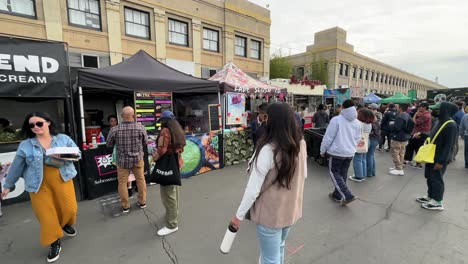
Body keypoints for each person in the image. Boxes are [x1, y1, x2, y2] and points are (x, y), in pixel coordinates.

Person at [230, 103, 307, 264]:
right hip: (291, 209)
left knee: (269, 259)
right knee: (279, 247)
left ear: (272, 121)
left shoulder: (268, 149)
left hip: (270, 213)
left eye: (267, 117)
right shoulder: (300, 144)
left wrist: (238, 217)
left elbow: (252, 190)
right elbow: (304, 175)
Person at [1, 112, 80, 263]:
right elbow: (17, 167)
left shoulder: (63, 139)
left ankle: (64, 224)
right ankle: (54, 240)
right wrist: (8, 186)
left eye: (39, 123)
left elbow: (78, 154)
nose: (35, 127)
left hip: (62, 179)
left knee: (70, 209)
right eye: (32, 125)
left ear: (48, 122)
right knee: (46, 215)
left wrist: (60, 156)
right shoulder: (25, 145)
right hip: (38, 185)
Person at [416, 102, 458, 210]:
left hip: (439, 158)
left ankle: (438, 201)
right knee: (430, 177)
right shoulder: (439, 121)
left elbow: (449, 146)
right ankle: (430, 196)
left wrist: (441, 161)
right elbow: (433, 135)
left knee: (437, 179)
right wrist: (422, 134)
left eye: (436, 109)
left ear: (444, 110)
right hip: (431, 155)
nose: (432, 111)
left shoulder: (451, 125)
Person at [107, 106, 148, 213]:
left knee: (122, 182)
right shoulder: (141, 128)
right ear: (133, 115)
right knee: (141, 180)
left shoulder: (114, 129)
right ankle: (142, 202)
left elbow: (109, 144)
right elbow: (145, 142)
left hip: (122, 160)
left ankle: (125, 206)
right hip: (137, 159)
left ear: (121, 116)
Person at [152, 111, 186, 236]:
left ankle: (172, 224)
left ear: (164, 121)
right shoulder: (178, 130)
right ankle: (173, 214)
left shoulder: (165, 131)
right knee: (174, 192)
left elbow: (162, 149)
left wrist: (154, 157)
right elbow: (181, 147)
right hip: (176, 163)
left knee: (168, 195)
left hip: (167, 165)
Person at [320, 99, 361, 205]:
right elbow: (357, 138)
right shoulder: (357, 122)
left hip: (337, 152)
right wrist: (352, 147)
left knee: (334, 173)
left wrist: (323, 150)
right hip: (350, 152)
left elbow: (328, 137)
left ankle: (347, 195)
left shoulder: (336, 120)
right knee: (343, 174)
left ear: (343, 107)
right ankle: (337, 194)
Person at [404, 102, 431, 169]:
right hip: (417, 132)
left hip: (420, 133)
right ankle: (409, 160)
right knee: (411, 146)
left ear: (424, 107)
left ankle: (417, 163)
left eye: (420, 107)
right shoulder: (425, 114)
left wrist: (415, 114)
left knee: (417, 147)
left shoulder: (425, 115)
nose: (419, 108)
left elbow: (414, 122)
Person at [350, 108, 374, 182]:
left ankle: (359, 176)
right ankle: (362, 174)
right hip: (367, 141)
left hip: (360, 142)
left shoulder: (359, 123)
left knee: (357, 160)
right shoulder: (369, 124)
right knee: (363, 159)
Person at [389, 104, 414, 176]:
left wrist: (392, 125)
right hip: (405, 136)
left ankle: (398, 168)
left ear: (400, 108)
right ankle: (399, 166)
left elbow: (397, 128)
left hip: (398, 137)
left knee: (395, 153)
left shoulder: (400, 116)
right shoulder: (408, 115)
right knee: (401, 152)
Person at [367, 109, 381, 178]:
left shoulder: (372, 123)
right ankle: (372, 172)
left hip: (372, 139)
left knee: (369, 156)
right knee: (371, 156)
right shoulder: (376, 122)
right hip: (376, 139)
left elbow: (372, 132)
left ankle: (369, 172)